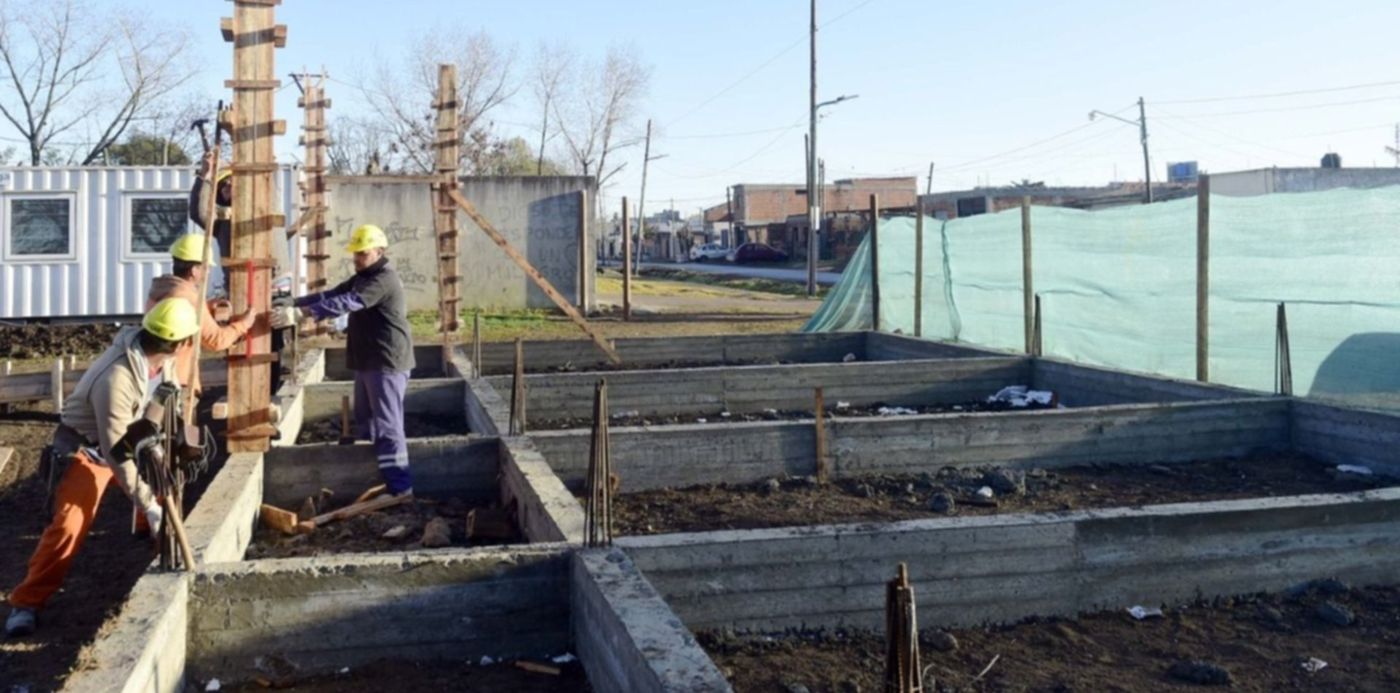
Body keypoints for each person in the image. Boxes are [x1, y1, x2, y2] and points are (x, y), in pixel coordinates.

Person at [5, 299, 200, 638]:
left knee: (166, 496)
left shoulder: (161, 362)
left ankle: (160, 562)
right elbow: (117, 454)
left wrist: (171, 416)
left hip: (133, 440)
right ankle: (26, 602)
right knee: (68, 528)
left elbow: (153, 412)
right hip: (88, 451)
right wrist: (149, 504)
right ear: (179, 342)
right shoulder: (117, 378)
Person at [272, 225, 415, 496]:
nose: (357, 258)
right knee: (366, 421)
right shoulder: (363, 275)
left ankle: (400, 487)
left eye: (363, 253)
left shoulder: (383, 280)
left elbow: (348, 302)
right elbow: (331, 295)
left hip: (386, 362)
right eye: (356, 253)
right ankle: (374, 477)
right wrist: (292, 302)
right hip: (368, 361)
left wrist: (302, 314)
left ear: (379, 252)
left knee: (387, 426)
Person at [147, 233, 256, 398]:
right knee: (179, 423)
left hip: (156, 378)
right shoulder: (189, 298)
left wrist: (205, 307)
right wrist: (244, 324)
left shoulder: (163, 289)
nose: (209, 271)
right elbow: (217, 340)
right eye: (206, 267)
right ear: (194, 270)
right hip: (178, 384)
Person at [189, 152, 233, 294]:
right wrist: (205, 175)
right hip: (234, 285)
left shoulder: (260, 213)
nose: (227, 186)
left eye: (231, 181)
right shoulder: (223, 225)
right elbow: (198, 213)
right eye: (222, 185)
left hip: (269, 284)